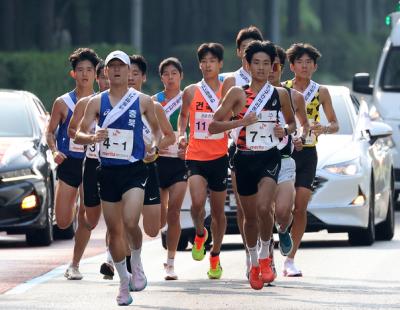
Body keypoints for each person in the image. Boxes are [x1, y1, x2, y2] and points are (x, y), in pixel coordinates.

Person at [209, 41, 296, 290]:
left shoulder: (280, 95)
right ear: (247, 65)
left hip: (269, 157)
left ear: (273, 67)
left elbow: (292, 124)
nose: (260, 68)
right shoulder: (237, 94)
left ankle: (267, 253)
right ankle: (254, 260)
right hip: (243, 158)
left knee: (263, 206)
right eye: (256, 63)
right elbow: (214, 125)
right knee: (249, 217)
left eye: (266, 63)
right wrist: (241, 123)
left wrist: (284, 130)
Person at [76, 50, 161, 305]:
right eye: (111, 67)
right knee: (114, 231)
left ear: (128, 71)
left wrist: (153, 147)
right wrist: (93, 137)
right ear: (105, 72)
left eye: (121, 67)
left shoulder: (143, 101)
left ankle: (136, 259)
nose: (116, 71)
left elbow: (157, 132)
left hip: (134, 169)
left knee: (130, 221)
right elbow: (79, 133)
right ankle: (124, 283)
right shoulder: (96, 102)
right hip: (108, 170)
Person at [283, 43, 339, 276]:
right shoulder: (281, 89)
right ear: (292, 65)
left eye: (309, 62)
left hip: (307, 152)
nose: (304, 66)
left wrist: (323, 129)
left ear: (315, 66)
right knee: (282, 207)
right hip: (285, 151)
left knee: (301, 206)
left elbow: (336, 124)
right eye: (300, 62)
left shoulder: (321, 91)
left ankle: (290, 259)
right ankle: (280, 233)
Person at [46, 47, 99, 279]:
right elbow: (49, 133)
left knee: (86, 218)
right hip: (69, 162)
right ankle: (73, 205)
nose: (85, 74)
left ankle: (75, 264)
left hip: (92, 163)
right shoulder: (62, 103)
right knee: (64, 221)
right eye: (80, 70)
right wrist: (55, 151)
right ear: (73, 74)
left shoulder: (103, 102)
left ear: (97, 73)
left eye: (89, 70)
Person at [178, 43, 228, 280]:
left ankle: (215, 256)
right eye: (204, 61)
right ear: (199, 65)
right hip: (196, 154)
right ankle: (200, 234)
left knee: (218, 211)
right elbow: (183, 116)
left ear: (220, 64)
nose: (208, 65)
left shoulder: (228, 92)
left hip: (219, 156)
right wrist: (181, 134)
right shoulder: (190, 91)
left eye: (212, 61)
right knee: (197, 204)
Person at [128, 54, 175, 287]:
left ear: (143, 78)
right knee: (127, 219)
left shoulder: (153, 106)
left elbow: (168, 136)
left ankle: (132, 252)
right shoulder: (108, 104)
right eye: (127, 72)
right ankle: (132, 262)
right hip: (123, 169)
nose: (130, 77)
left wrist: (154, 147)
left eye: (135, 73)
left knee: (153, 228)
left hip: (148, 168)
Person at [221, 26, 264, 278]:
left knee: (265, 206)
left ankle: (265, 250)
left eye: (255, 46)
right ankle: (251, 254)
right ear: (239, 52)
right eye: (246, 48)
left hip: (269, 149)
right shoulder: (231, 81)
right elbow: (221, 117)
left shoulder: (269, 77)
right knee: (244, 205)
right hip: (239, 148)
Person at [64, 60, 108, 280]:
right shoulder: (86, 103)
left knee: (116, 215)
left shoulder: (130, 104)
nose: (107, 81)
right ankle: (74, 264)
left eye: (111, 76)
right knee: (88, 218)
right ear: (97, 79)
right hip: (92, 163)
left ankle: (112, 261)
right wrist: (89, 136)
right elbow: (72, 130)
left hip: (119, 165)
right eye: (103, 77)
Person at [268, 46, 309, 258]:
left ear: (282, 68)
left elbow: (302, 125)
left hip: (284, 159)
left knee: (283, 212)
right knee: (261, 213)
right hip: (255, 160)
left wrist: (298, 137)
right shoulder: (247, 95)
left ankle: (283, 230)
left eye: (275, 65)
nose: (270, 70)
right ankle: (262, 259)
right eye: (266, 64)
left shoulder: (294, 96)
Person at [152, 57, 188, 280]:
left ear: (181, 76)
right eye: (166, 73)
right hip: (157, 161)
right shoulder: (153, 102)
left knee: (174, 213)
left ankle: (171, 262)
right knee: (159, 218)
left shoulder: (188, 99)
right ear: (161, 77)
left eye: (174, 73)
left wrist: (188, 144)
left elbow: (197, 127)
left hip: (180, 161)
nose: (170, 77)